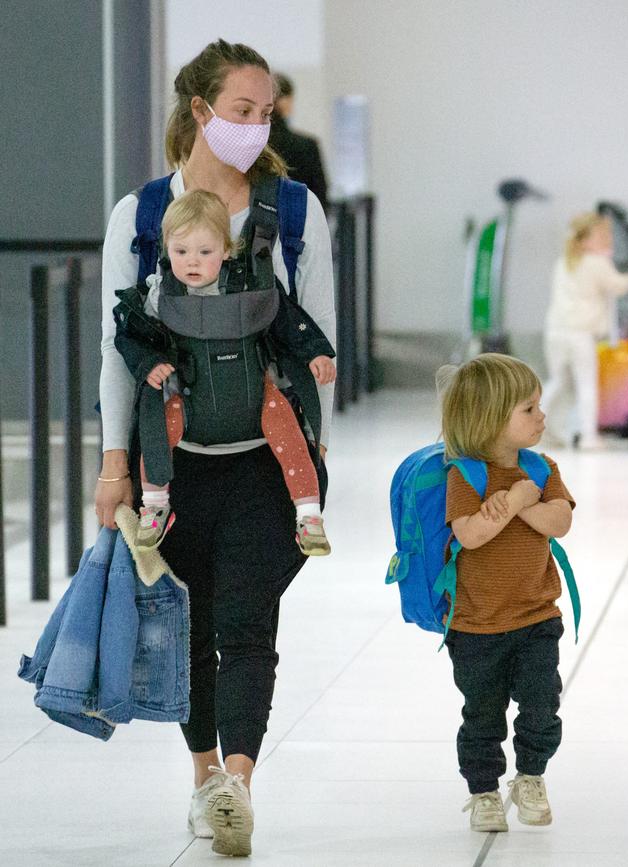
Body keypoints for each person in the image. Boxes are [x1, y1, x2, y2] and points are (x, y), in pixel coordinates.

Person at [95, 39, 336, 857]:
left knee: (250, 622)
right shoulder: (140, 217)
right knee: (188, 625)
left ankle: (237, 782)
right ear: (200, 111)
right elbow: (116, 350)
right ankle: (205, 775)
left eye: (265, 112)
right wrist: (113, 465)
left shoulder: (294, 212)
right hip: (174, 465)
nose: (256, 125)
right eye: (242, 110)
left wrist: (316, 468)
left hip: (268, 465)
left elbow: (318, 343)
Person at [112, 188, 335, 555]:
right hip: (189, 399)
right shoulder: (159, 294)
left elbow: (289, 321)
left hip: (256, 394)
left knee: (291, 434)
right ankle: (154, 505)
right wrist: (148, 363)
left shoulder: (254, 284)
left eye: (205, 252)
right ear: (167, 248)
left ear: (227, 249)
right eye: (180, 252)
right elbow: (129, 336)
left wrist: (316, 354)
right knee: (156, 433)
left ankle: (309, 515)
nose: (192, 262)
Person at [440, 353, 575, 833]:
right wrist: (512, 502)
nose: (542, 417)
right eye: (530, 410)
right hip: (475, 626)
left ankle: (531, 776)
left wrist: (519, 501)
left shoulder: (540, 469)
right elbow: (470, 535)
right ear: (493, 419)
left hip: (538, 618)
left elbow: (559, 522)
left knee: (542, 703)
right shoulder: (466, 476)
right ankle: (483, 792)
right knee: (482, 714)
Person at [543, 212, 628, 449]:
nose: (608, 240)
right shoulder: (596, 262)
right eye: (602, 236)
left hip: (555, 331)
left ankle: (542, 427)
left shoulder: (563, 261)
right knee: (586, 385)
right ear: (584, 240)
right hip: (580, 334)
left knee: (558, 382)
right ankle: (589, 437)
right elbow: (618, 285)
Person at [268, 72, 328, 209]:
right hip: (300, 219)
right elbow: (320, 197)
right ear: (286, 101)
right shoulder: (307, 145)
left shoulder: (254, 144)